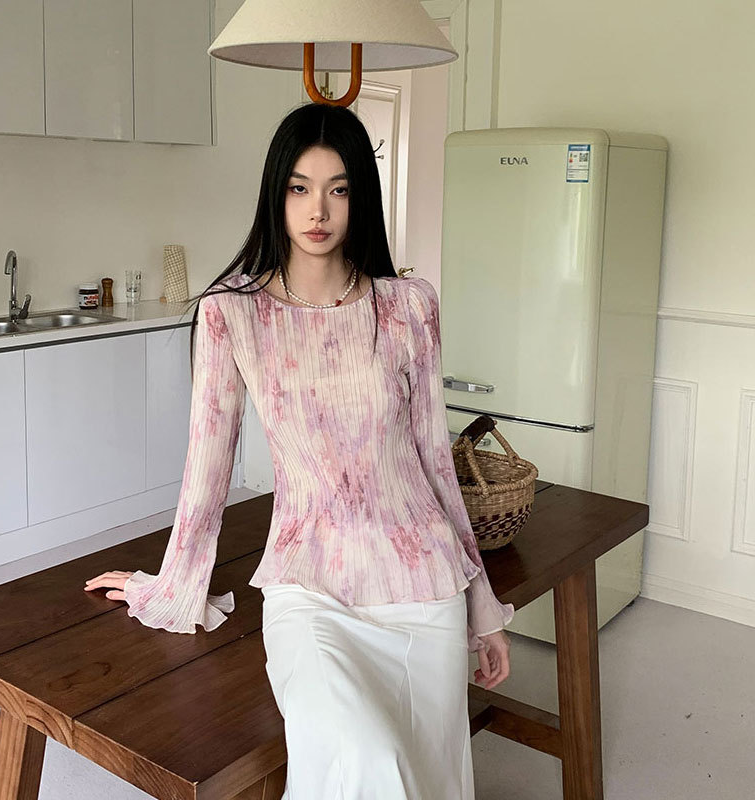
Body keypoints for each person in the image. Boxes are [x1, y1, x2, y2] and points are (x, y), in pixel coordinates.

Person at [83, 102, 513, 799]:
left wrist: (482, 608)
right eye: (300, 187)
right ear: (276, 194)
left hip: (422, 588)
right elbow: (206, 472)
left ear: (360, 198)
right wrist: (165, 585)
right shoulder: (233, 314)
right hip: (308, 589)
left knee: (430, 776)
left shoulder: (408, 306)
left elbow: (435, 462)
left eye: (339, 189)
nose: (319, 210)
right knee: (364, 760)